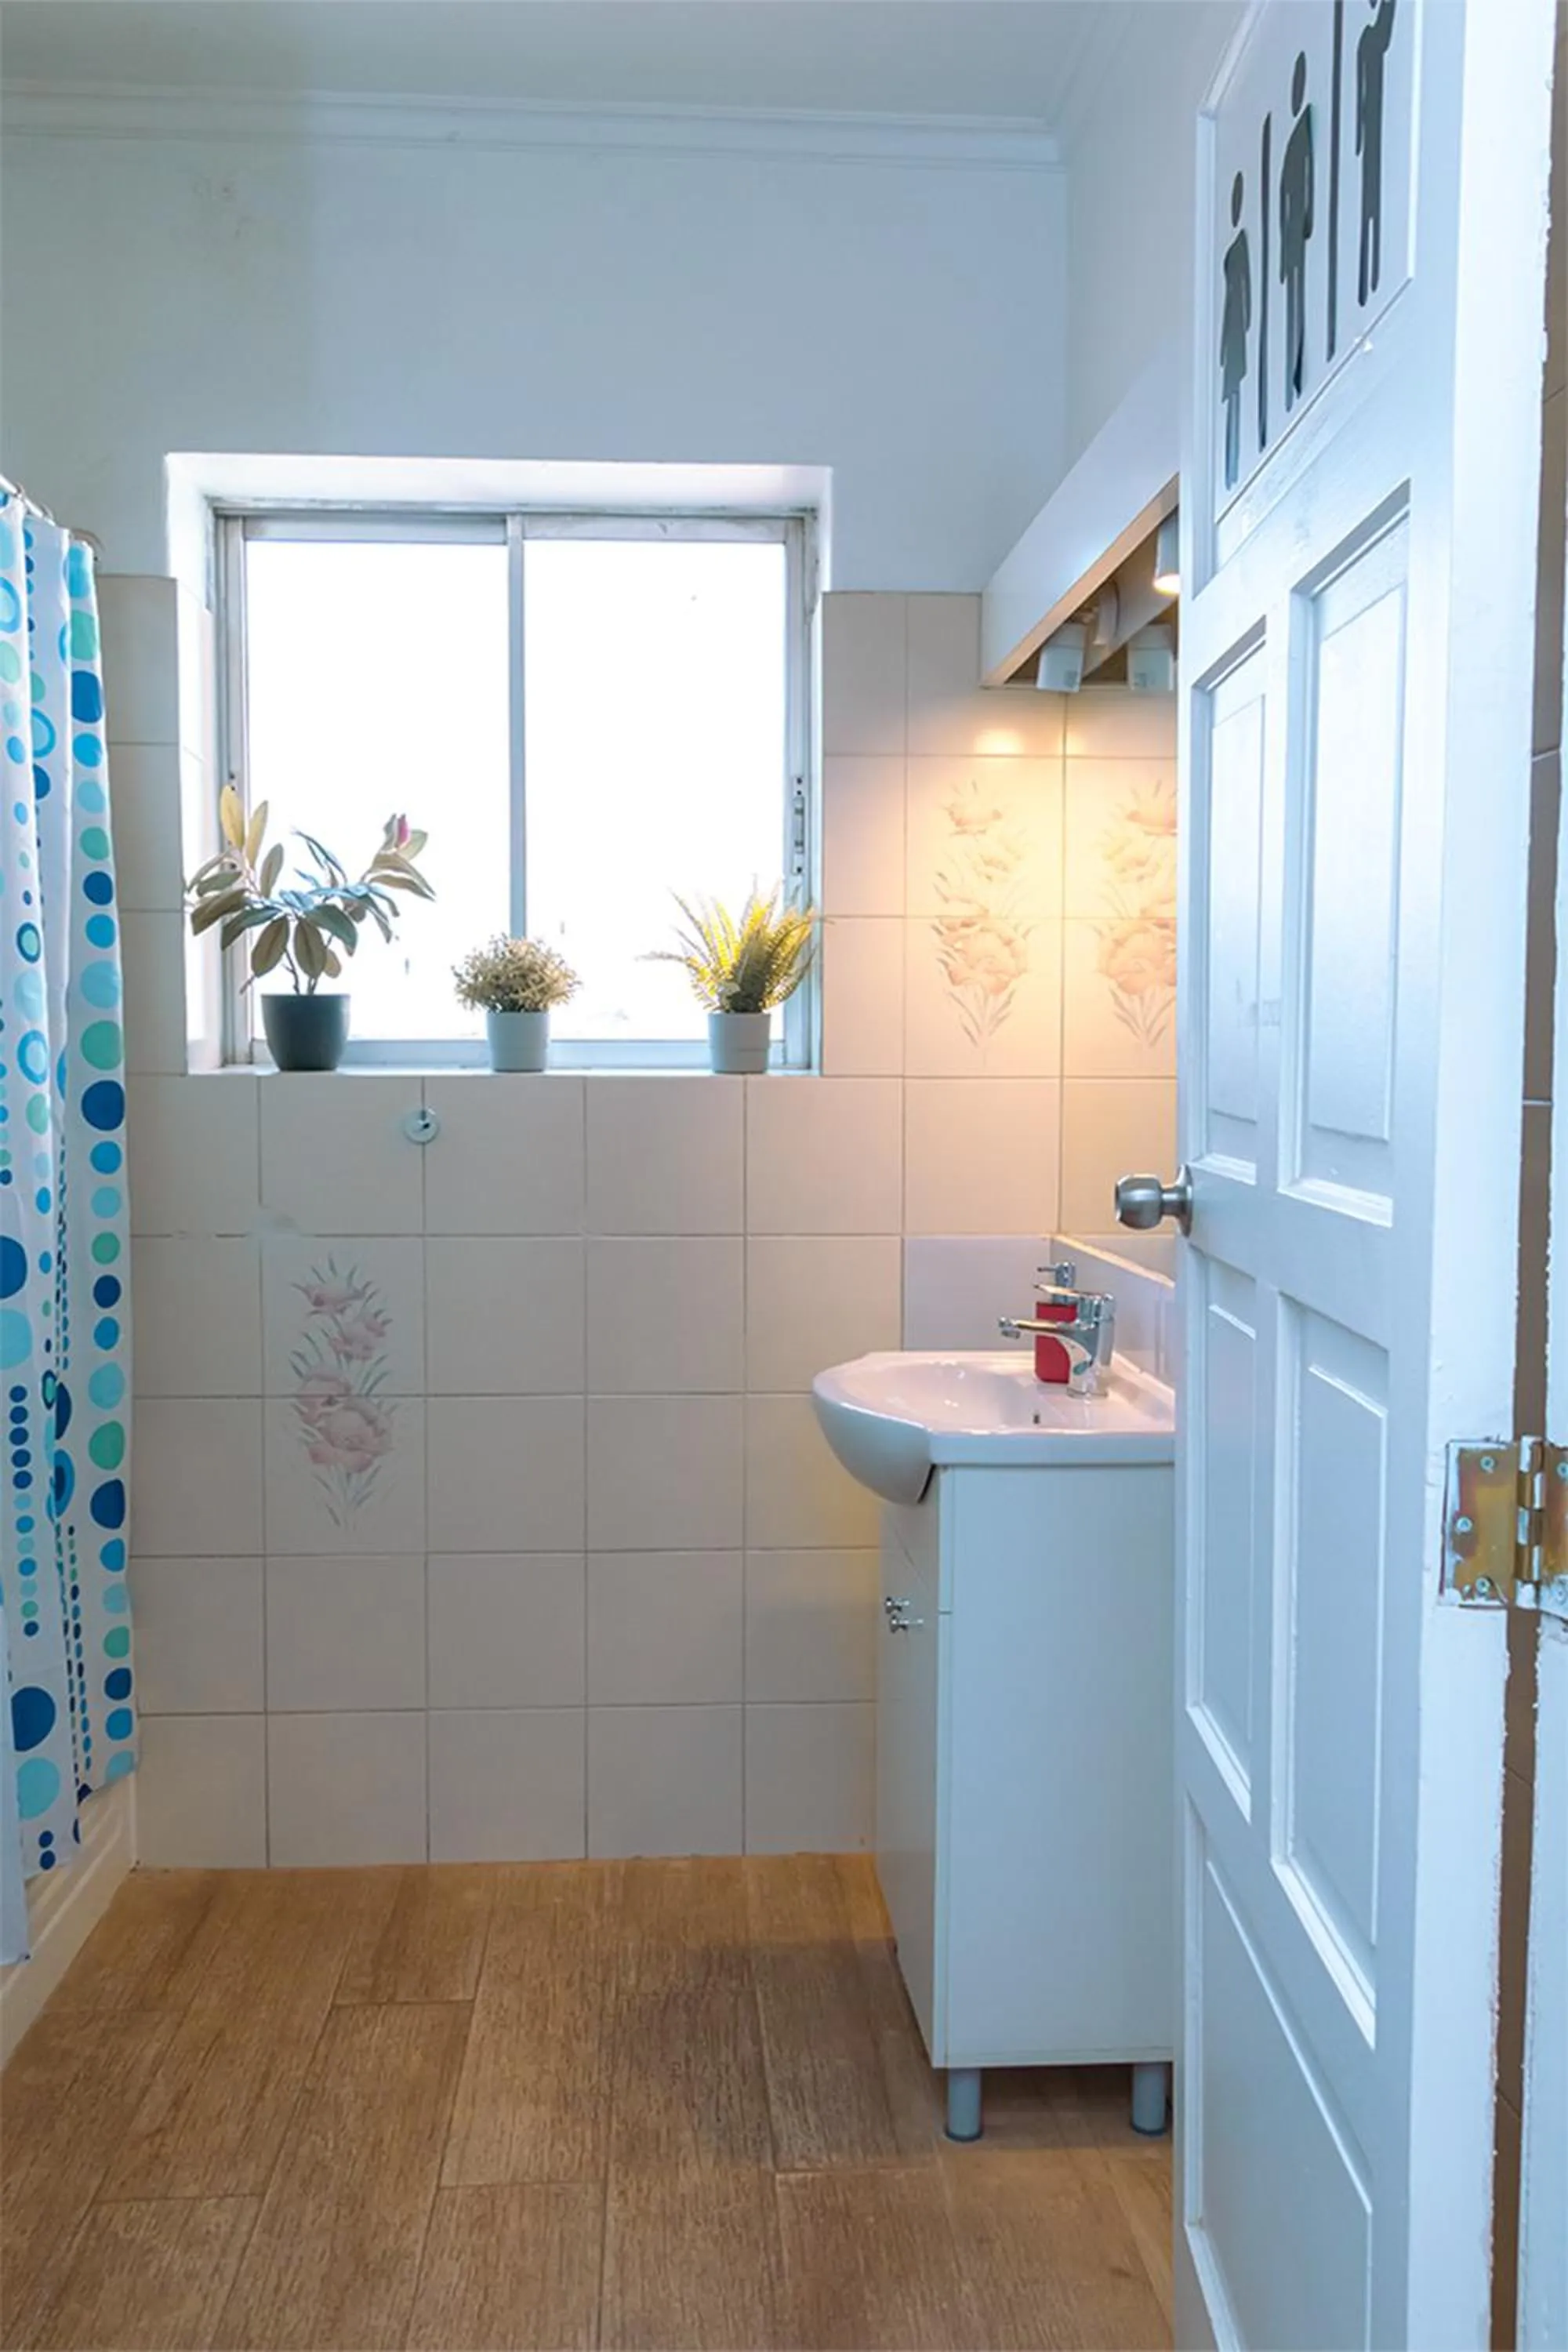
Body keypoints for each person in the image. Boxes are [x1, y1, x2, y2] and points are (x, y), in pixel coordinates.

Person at [1279, 51, 1315, 413]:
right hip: (1292, 240)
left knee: (1298, 299)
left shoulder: (1301, 140)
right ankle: (1296, 368)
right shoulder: (1292, 148)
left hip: (1298, 238)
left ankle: (1299, 366)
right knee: (1294, 299)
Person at [1356, 0, 1397, 303]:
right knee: (1370, 202)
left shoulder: (1369, 42)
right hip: (1374, 127)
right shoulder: (1366, 42)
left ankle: (1370, 276)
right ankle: (1368, 276)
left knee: (1374, 203)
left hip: (1380, 123)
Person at [1220, 172, 1252, 489]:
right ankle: (1231, 461)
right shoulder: (1230, 253)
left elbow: (1245, 292)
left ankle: (1234, 461)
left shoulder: (1239, 248)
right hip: (1232, 340)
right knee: (1231, 394)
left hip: (1237, 339)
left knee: (1237, 394)